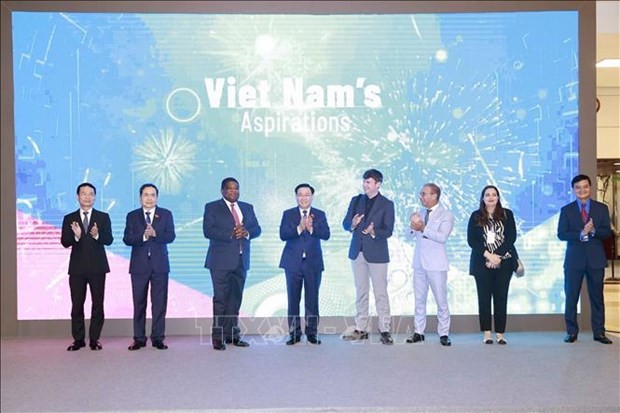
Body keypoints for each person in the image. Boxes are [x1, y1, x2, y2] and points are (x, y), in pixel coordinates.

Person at [203, 177, 261, 350]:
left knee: (235, 300)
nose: (233, 191)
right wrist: (231, 233)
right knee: (221, 300)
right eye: (229, 188)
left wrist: (247, 232)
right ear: (222, 191)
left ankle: (233, 335)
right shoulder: (212, 207)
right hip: (220, 262)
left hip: (241, 261)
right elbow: (208, 230)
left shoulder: (247, 207)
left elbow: (257, 229)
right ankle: (218, 337)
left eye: (236, 188)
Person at [557, 174, 613, 344]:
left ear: (590, 187)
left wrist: (594, 230)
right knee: (571, 296)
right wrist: (581, 234)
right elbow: (561, 234)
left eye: (585, 187)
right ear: (573, 190)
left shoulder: (601, 208)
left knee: (597, 297)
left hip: (595, 259)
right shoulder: (566, 210)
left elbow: (607, 232)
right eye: (578, 187)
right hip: (574, 260)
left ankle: (599, 332)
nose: (582, 190)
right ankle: (572, 332)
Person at [342, 169, 395, 344]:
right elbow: (345, 223)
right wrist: (353, 224)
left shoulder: (387, 204)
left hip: (377, 254)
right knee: (361, 292)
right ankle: (361, 328)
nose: (365, 185)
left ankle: (385, 329)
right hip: (357, 252)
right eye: (364, 181)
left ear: (378, 184)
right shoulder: (356, 200)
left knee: (381, 293)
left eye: (369, 182)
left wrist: (374, 232)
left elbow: (388, 230)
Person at [61, 182, 113, 351]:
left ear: (95, 197)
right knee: (77, 304)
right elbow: (64, 242)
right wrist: (76, 236)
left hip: (98, 268)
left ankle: (94, 339)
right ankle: (78, 340)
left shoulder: (103, 217)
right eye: (84, 193)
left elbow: (109, 240)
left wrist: (97, 235)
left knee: (98, 304)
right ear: (78, 197)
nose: (87, 197)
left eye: (91, 194)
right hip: (77, 269)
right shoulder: (69, 218)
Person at [123, 183, 176, 350]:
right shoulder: (132, 216)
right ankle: (139, 338)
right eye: (146, 195)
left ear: (156, 197)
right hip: (139, 266)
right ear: (140, 198)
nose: (149, 198)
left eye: (152, 195)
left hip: (160, 265)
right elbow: (127, 239)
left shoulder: (166, 214)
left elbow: (171, 236)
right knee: (139, 303)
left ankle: (158, 338)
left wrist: (156, 234)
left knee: (159, 303)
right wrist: (143, 237)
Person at [279, 183, 331, 345]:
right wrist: (300, 228)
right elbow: (283, 234)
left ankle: (312, 333)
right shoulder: (288, 214)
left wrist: (312, 228)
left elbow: (326, 234)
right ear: (296, 197)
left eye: (307, 195)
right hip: (292, 263)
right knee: (293, 300)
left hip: (313, 263)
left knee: (312, 300)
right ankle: (294, 333)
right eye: (300, 195)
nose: (303, 198)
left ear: (312, 197)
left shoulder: (320, 214)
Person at [467, 185, 517, 345]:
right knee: (484, 298)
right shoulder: (476, 216)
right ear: (482, 198)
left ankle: (500, 333)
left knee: (501, 298)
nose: (490, 197)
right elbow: (472, 240)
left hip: (504, 262)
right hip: (482, 263)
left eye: (494, 194)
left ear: (498, 197)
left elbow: (511, 238)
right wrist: (489, 256)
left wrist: (497, 257)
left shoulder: (507, 214)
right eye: (487, 195)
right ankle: (487, 333)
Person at [406, 183, 455, 346]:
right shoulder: (419, 213)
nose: (421, 197)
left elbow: (442, 237)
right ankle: (419, 332)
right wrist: (413, 226)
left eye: (424, 193)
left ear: (434, 195)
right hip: (419, 263)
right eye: (421, 194)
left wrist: (423, 227)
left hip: (436, 264)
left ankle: (444, 333)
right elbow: (409, 235)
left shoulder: (446, 215)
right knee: (419, 299)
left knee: (441, 300)